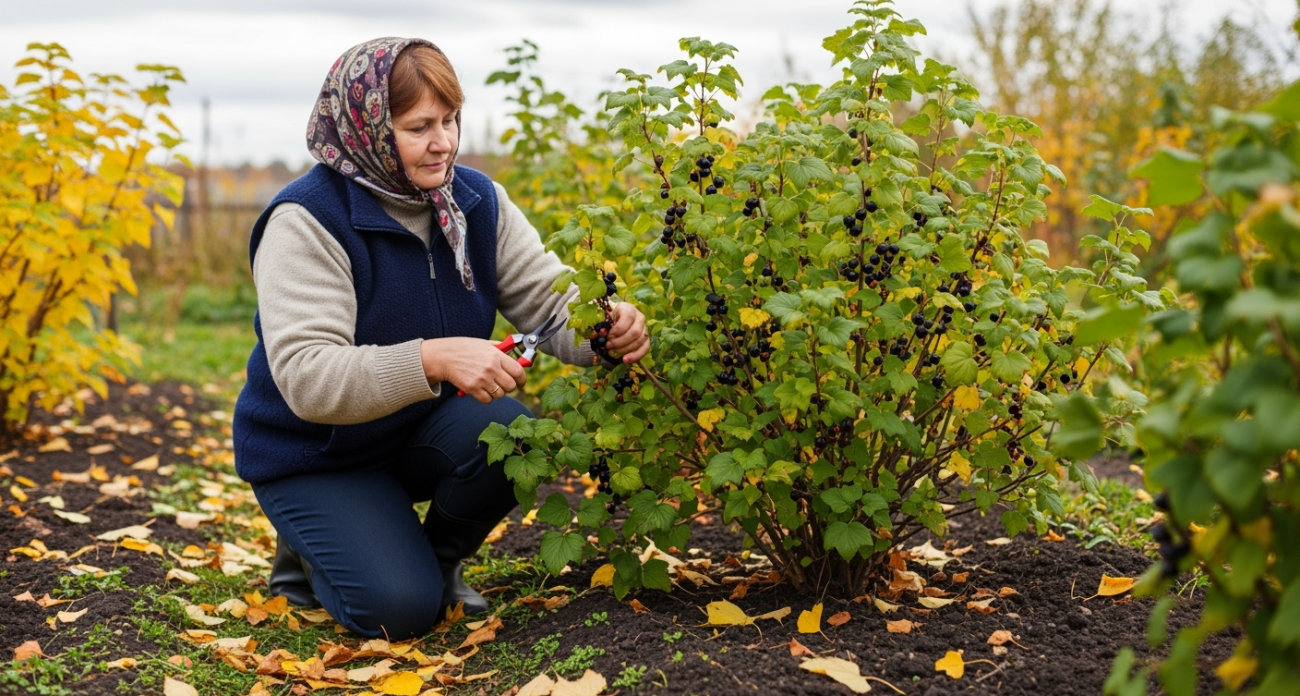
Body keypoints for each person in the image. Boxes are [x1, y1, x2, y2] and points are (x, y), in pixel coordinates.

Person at [231, 37, 649, 640]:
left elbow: (550, 301)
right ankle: (311, 551)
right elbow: (308, 376)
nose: (444, 142)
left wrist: (607, 326)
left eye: (451, 119)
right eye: (419, 126)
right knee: (399, 611)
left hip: (413, 433)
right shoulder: (308, 220)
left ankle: (437, 561)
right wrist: (431, 358)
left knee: (512, 432)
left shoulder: (476, 201)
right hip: (316, 455)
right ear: (368, 129)